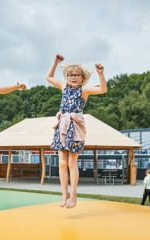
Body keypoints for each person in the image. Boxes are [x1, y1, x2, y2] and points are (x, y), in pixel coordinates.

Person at [46, 54, 107, 208]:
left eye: (77, 75)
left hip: (76, 127)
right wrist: (55, 62)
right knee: (61, 162)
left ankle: (73, 194)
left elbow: (103, 90)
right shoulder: (63, 87)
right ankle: (64, 193)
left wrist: (100, 74)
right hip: (62, 126)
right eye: (71, 75)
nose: (73, 78)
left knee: (72, 162)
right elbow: (48, 77)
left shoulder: (84, 90)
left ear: (82, 77)